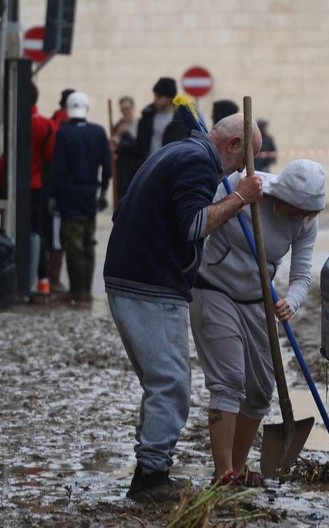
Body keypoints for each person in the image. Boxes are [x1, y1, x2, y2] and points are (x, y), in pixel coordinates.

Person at [104, 114, 264, 502]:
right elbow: (193, 225)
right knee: (171, 382)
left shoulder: (179, 151)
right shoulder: (195, 163)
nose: (243, 168)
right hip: (150, 283)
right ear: (231, 145)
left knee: (161, 381)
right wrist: (240, 197)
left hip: (138, 277)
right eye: (245, 158)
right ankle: (151, 478)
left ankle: (151, 468)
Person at [189, 159, 326, 487]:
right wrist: (238, 198)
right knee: (230, 380)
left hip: (257, 302)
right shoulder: (244, 183)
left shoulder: (305, 223)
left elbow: (302, 275)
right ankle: (223, 474)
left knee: (261, 390)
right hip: (214, 290)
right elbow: (199, 217)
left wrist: (290, 302)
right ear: (281, 196)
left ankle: (238, 466)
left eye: (304, 212)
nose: (297, 216)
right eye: (293, 208)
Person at [49, 91, 111, 302]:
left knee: (73, 242)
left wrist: (53, 196)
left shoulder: (64, 133)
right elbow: (107, 165)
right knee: (88, 242)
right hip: (89, 192)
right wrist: (103, 192)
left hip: (69, 194)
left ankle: (78, 289)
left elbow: (58, 168)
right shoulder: (98, 132)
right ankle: (85, 288)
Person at [27, 83, 59, 295]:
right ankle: (42, 279)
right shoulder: (47, 125)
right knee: (38, 232)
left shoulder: (16, 122)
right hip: (39, 185)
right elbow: (51, 157)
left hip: (20, 186)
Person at [135, 77, 189, 162]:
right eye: (155, 96)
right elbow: (139, 147)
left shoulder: (181, 120)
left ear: (169, 98)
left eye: (159, 97)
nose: (155, 100)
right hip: (148, 165)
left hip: (170, 166)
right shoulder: (147, 117)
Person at [110, 95, 141, 204]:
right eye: (123, 109)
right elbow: (114, 146)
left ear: (132, 108)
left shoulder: (139, 125)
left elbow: (139, 147)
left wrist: (122, 142)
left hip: (136, 167)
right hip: (122, 169)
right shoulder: (118, 125)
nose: (125, 112)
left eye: (127, 109)